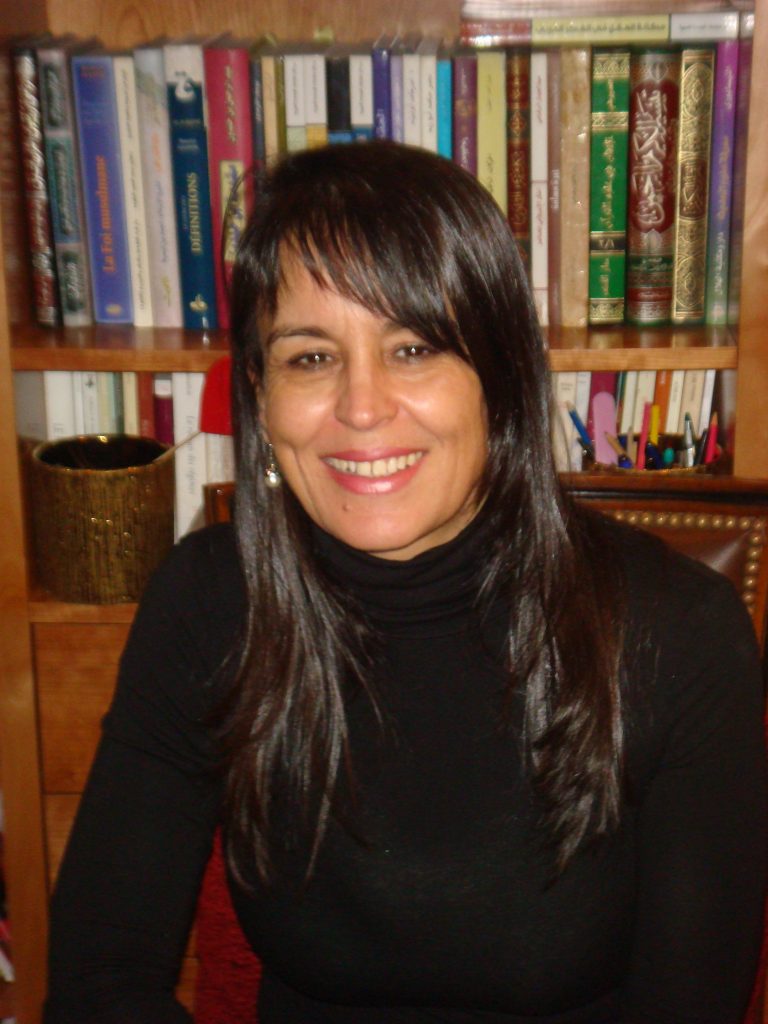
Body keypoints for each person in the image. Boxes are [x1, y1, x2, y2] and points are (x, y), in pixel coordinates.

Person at [45, 141, 766, 1024]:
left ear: (500, 378)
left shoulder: (677, 634)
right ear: (261, 398)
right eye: (310, 358)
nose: (361, 407)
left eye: (414, 347)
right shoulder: (209, 605)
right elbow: (100, 979)